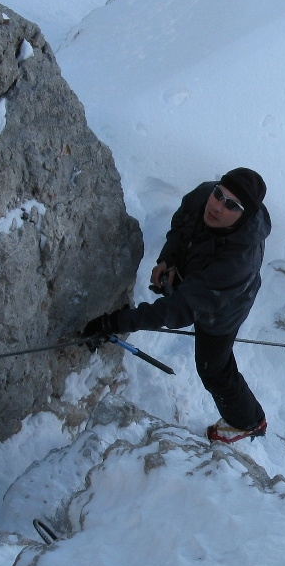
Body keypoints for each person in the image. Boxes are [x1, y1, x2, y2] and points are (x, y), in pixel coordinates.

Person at [84, 168, 270, 443]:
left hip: (223, 309)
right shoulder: (204, 195)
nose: (217, 205)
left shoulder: (238, 262)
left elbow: (178, 310)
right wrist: (169, 260)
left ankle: (249, 421)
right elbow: (183, 225)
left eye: (232, 205)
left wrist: (114, 323)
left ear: (245, 216)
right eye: (219, 194)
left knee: (213, 369)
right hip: (198, 275)